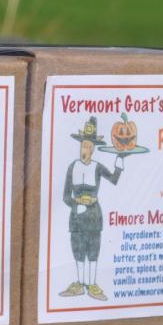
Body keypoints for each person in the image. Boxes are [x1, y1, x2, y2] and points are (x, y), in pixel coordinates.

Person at [60, 116, 123, 301]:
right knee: (78, 249)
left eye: (88, 147)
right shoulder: (72, 167)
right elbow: (65, 196)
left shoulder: (97, 167)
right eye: (83, 146)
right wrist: (75, 206)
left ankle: (92, 284)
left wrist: (119, 164)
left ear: (93, 149)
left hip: (94, 215)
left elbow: (114, 179)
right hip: (77, 216)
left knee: (93, 250)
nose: (85, 150)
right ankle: (80, 284)